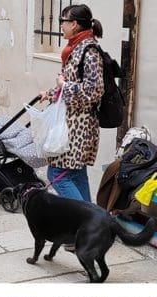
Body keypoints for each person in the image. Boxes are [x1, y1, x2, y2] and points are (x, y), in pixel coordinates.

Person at [43, 4, 105, 202]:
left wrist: (64, 85)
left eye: (64, 21)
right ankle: (93, 223)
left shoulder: (90, 51)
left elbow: (94, 91)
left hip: (79, 127)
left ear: (75, 24)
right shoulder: (75, 48)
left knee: (57, 175)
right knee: (76, 174)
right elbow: (73, 84)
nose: (61, 25)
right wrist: (51, 94)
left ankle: (85, 219)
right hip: (70, 123)